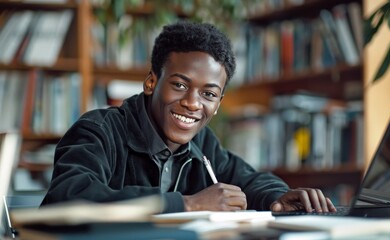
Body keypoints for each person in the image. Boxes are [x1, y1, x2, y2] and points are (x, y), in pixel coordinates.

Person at [41, 21, 336, 214]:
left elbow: (248, 179)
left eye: (208, 94)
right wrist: (187, 204)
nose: (192, 103)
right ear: (151, 82)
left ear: (218, 104)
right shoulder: (99, 131)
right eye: (180, 85)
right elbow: (68, 197)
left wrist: (277, 197)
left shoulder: (202, 143)